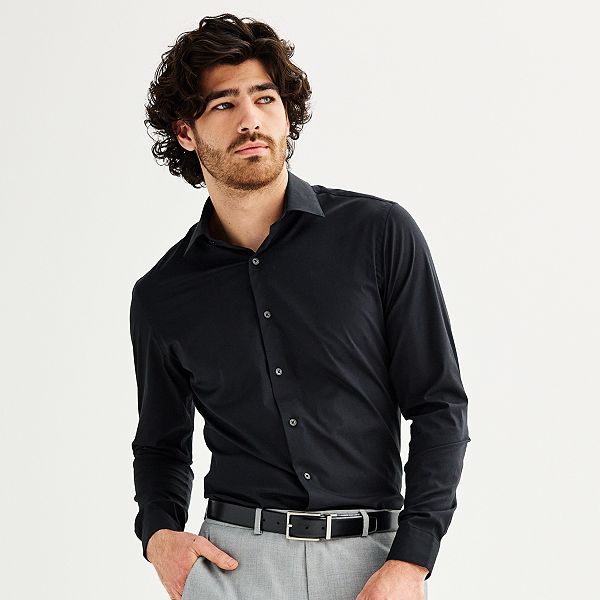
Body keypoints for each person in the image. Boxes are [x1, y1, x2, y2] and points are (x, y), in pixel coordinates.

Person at [129, 12, 471, 600]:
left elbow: (439, 405)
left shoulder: (378, 234)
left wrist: (412, 560)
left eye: (265, 98)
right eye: (224, 104)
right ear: (186, 132)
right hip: (233, 567)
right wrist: (160, 536)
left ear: (287, 113)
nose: (251, 119)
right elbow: (161, 443)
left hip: (372, 563)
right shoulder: (163, 292)